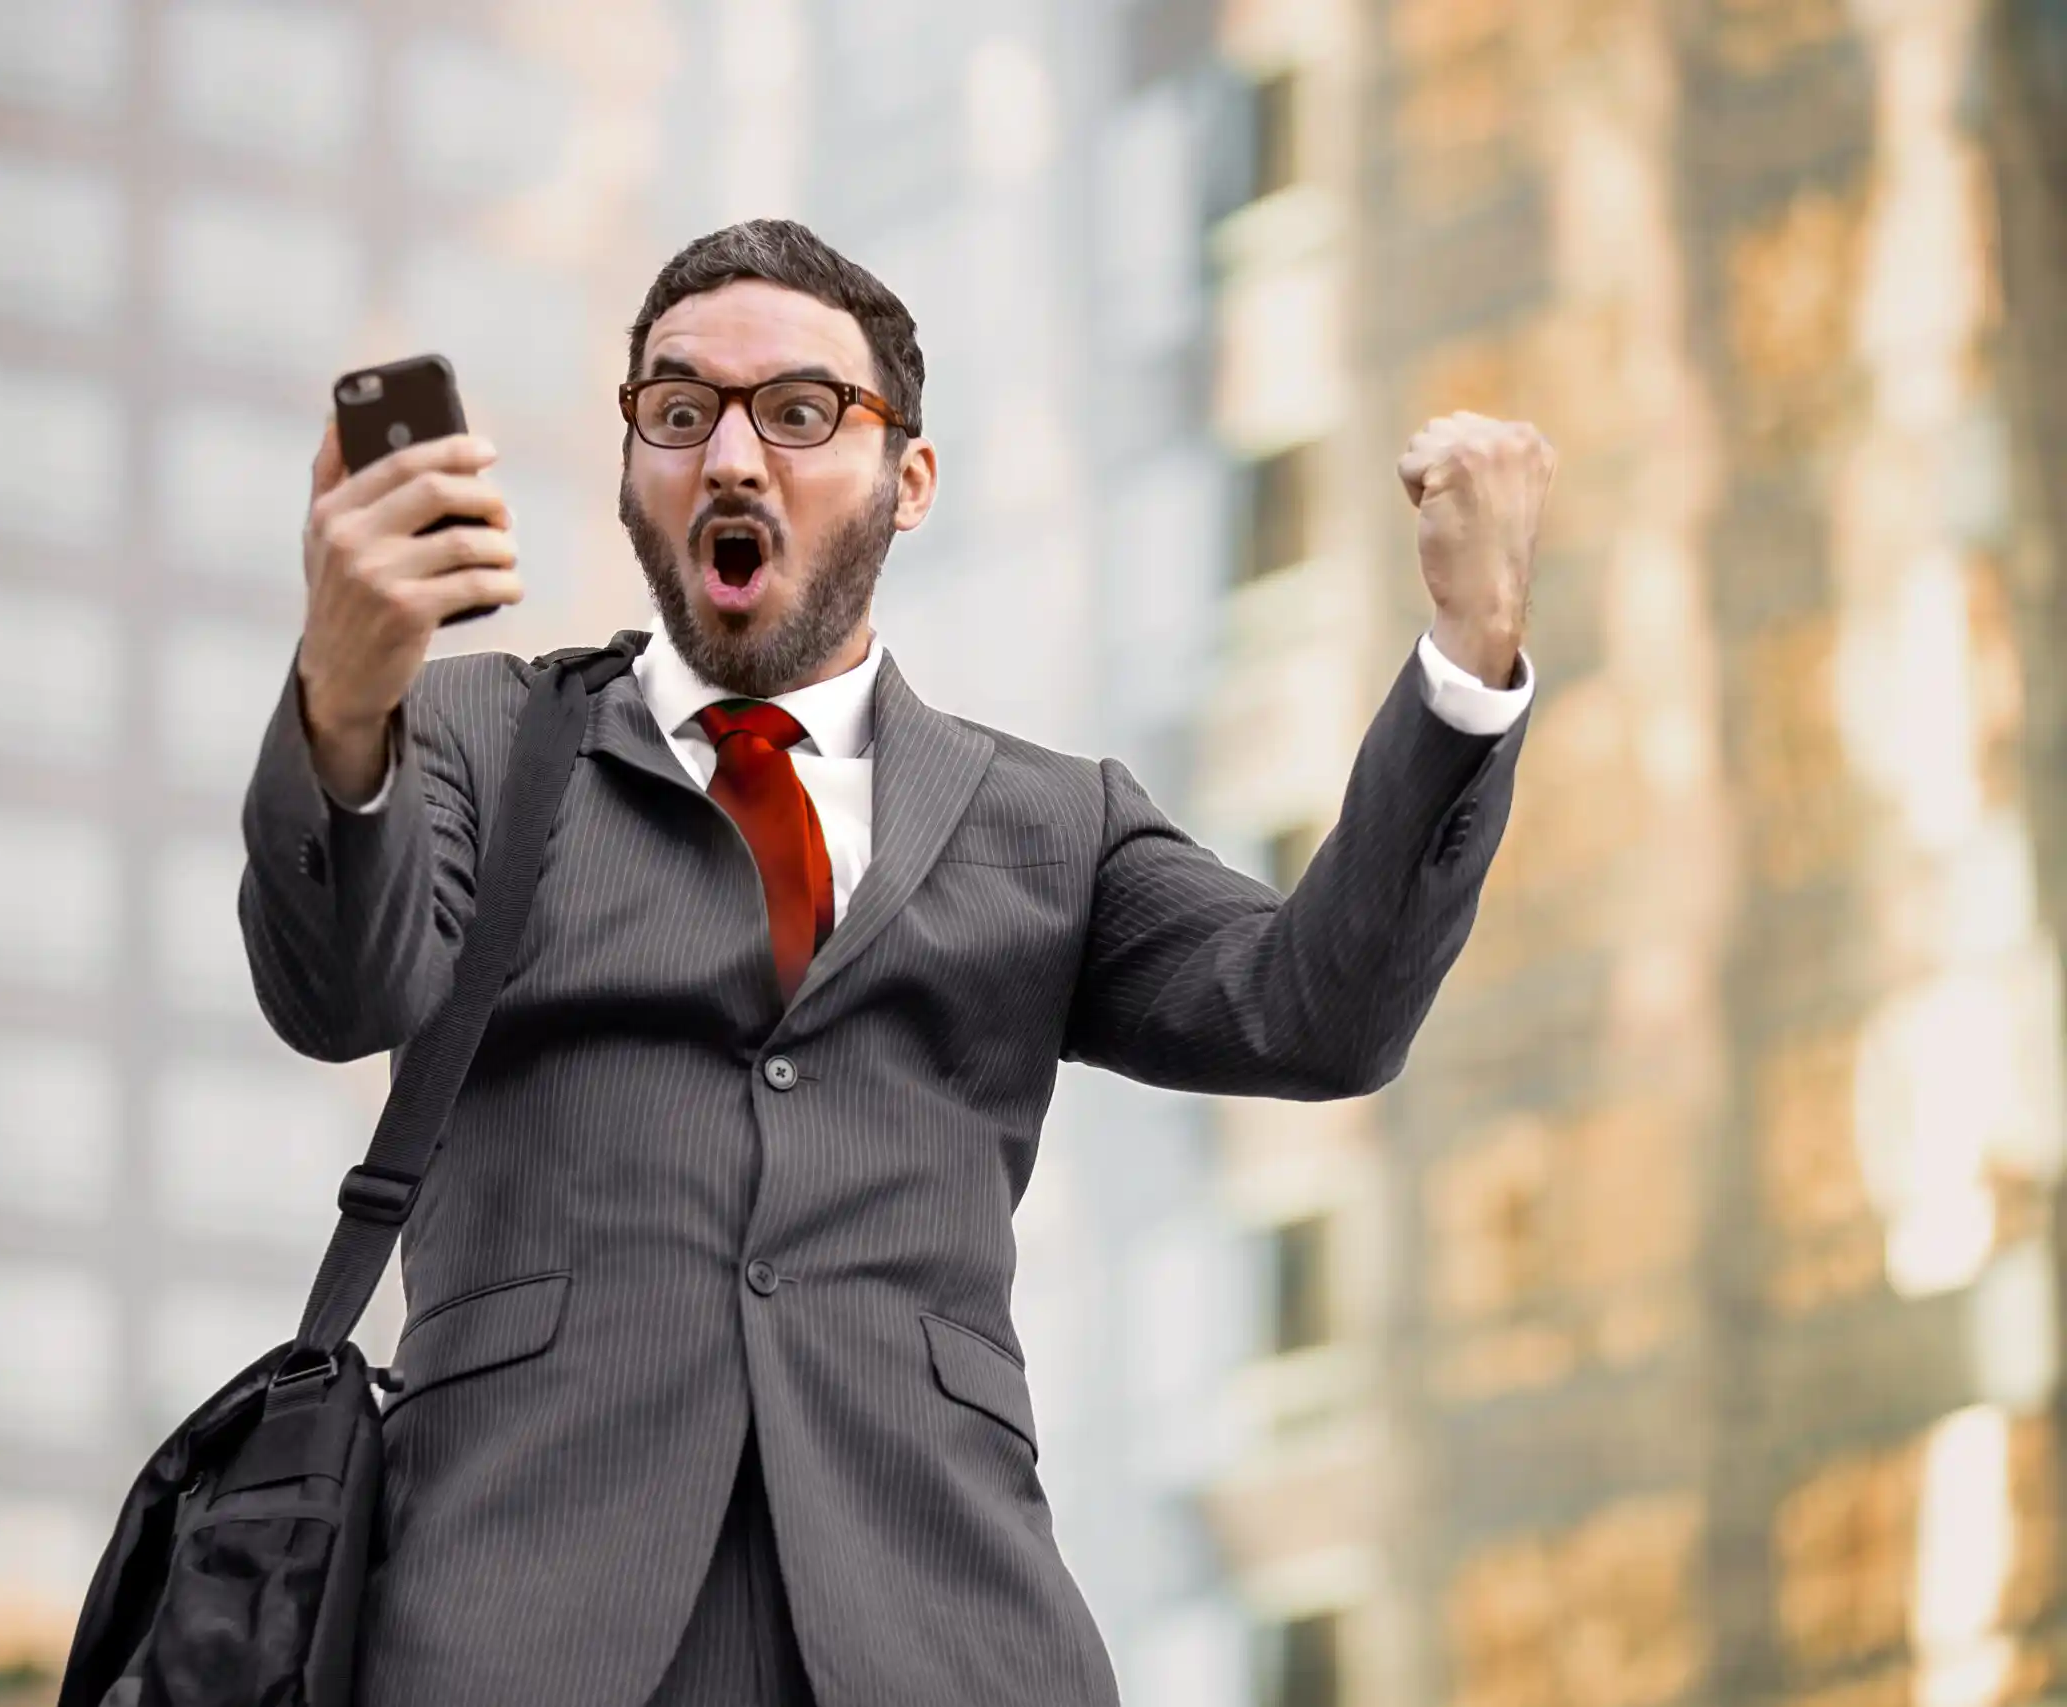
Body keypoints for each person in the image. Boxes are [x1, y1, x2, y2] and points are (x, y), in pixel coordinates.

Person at [240, 219, 1549, 1707]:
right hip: (522, 1626)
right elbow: (333, 991)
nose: (733, 456)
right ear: (630, 478)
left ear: (907, 480)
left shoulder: (1051, 823)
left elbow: (1315, 1015)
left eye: (798, 413)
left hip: (939, 1631)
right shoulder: (475, 736)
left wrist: (1468, 665)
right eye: (681, 414)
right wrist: (346, 703)